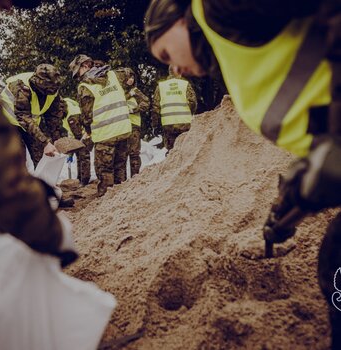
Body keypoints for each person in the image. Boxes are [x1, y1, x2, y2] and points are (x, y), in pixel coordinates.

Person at [144, 0, 341, 348]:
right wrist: (296, 192)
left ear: (177, 19)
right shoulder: (235, 51)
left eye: (164, 54)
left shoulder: (220, 8)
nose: (172, 69)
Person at [0, 0, 77, 267]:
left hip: (25, 127)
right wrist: (42, 228)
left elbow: (53, 116)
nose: (7, 11)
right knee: (11, 164)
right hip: (13, 123)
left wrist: (52, 140)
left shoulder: (51, 90)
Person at [69, 55, 132, 196]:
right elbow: (129, 73)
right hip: (123, 131)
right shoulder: (114, 75)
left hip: (105, 136)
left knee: (105, 172)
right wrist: (129, 86)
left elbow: (87, 116)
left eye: (77, 72)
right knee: (120, 168)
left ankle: (106, 204)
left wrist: (88, 131)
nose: (78, 77)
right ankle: (123, 201)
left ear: (84, 66)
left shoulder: (85, 86)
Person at [0, 63, 66, 167]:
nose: (52, 91)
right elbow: (23, 117)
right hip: (8, 123)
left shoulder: (53, 88)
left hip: (31, 124)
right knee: (18, 158)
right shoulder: (21, 86)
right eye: (48, 88)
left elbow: (53, 118)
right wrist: (45, 143)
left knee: (41, 156)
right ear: (39, 83)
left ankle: (42, 182)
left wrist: (55, 142)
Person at [152, 65, 197, 151]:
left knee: (172, 152)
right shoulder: (185, 84)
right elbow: (193, 102)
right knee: (186, 149)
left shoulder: (161, 86)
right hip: (184, 123)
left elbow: (155, 108)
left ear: (169, 72)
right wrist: (190, 113)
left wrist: (155, 125)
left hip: (168, 124)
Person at [118, 67, 149, 176]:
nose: (130, 79)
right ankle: (121, 182)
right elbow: (119, 101)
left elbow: (146, 103)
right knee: (121, 156)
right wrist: (129, 94)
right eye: (128, 76)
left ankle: (135, 179)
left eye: (132, 76)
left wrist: (133, 110)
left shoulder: (136, 91)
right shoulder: (118, 92)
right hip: (121, 127)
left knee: (134, 154)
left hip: (134, 126)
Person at [63, 97, 91, 186]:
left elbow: (77, 137)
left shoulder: (70, 114)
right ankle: (80, 179)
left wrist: (73, 148)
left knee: (83, 154)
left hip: (84, 134)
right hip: (81, 132)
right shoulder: (67, 107)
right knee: (80, 154)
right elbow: (71, 133)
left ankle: (84, 180)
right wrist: (70, 152)